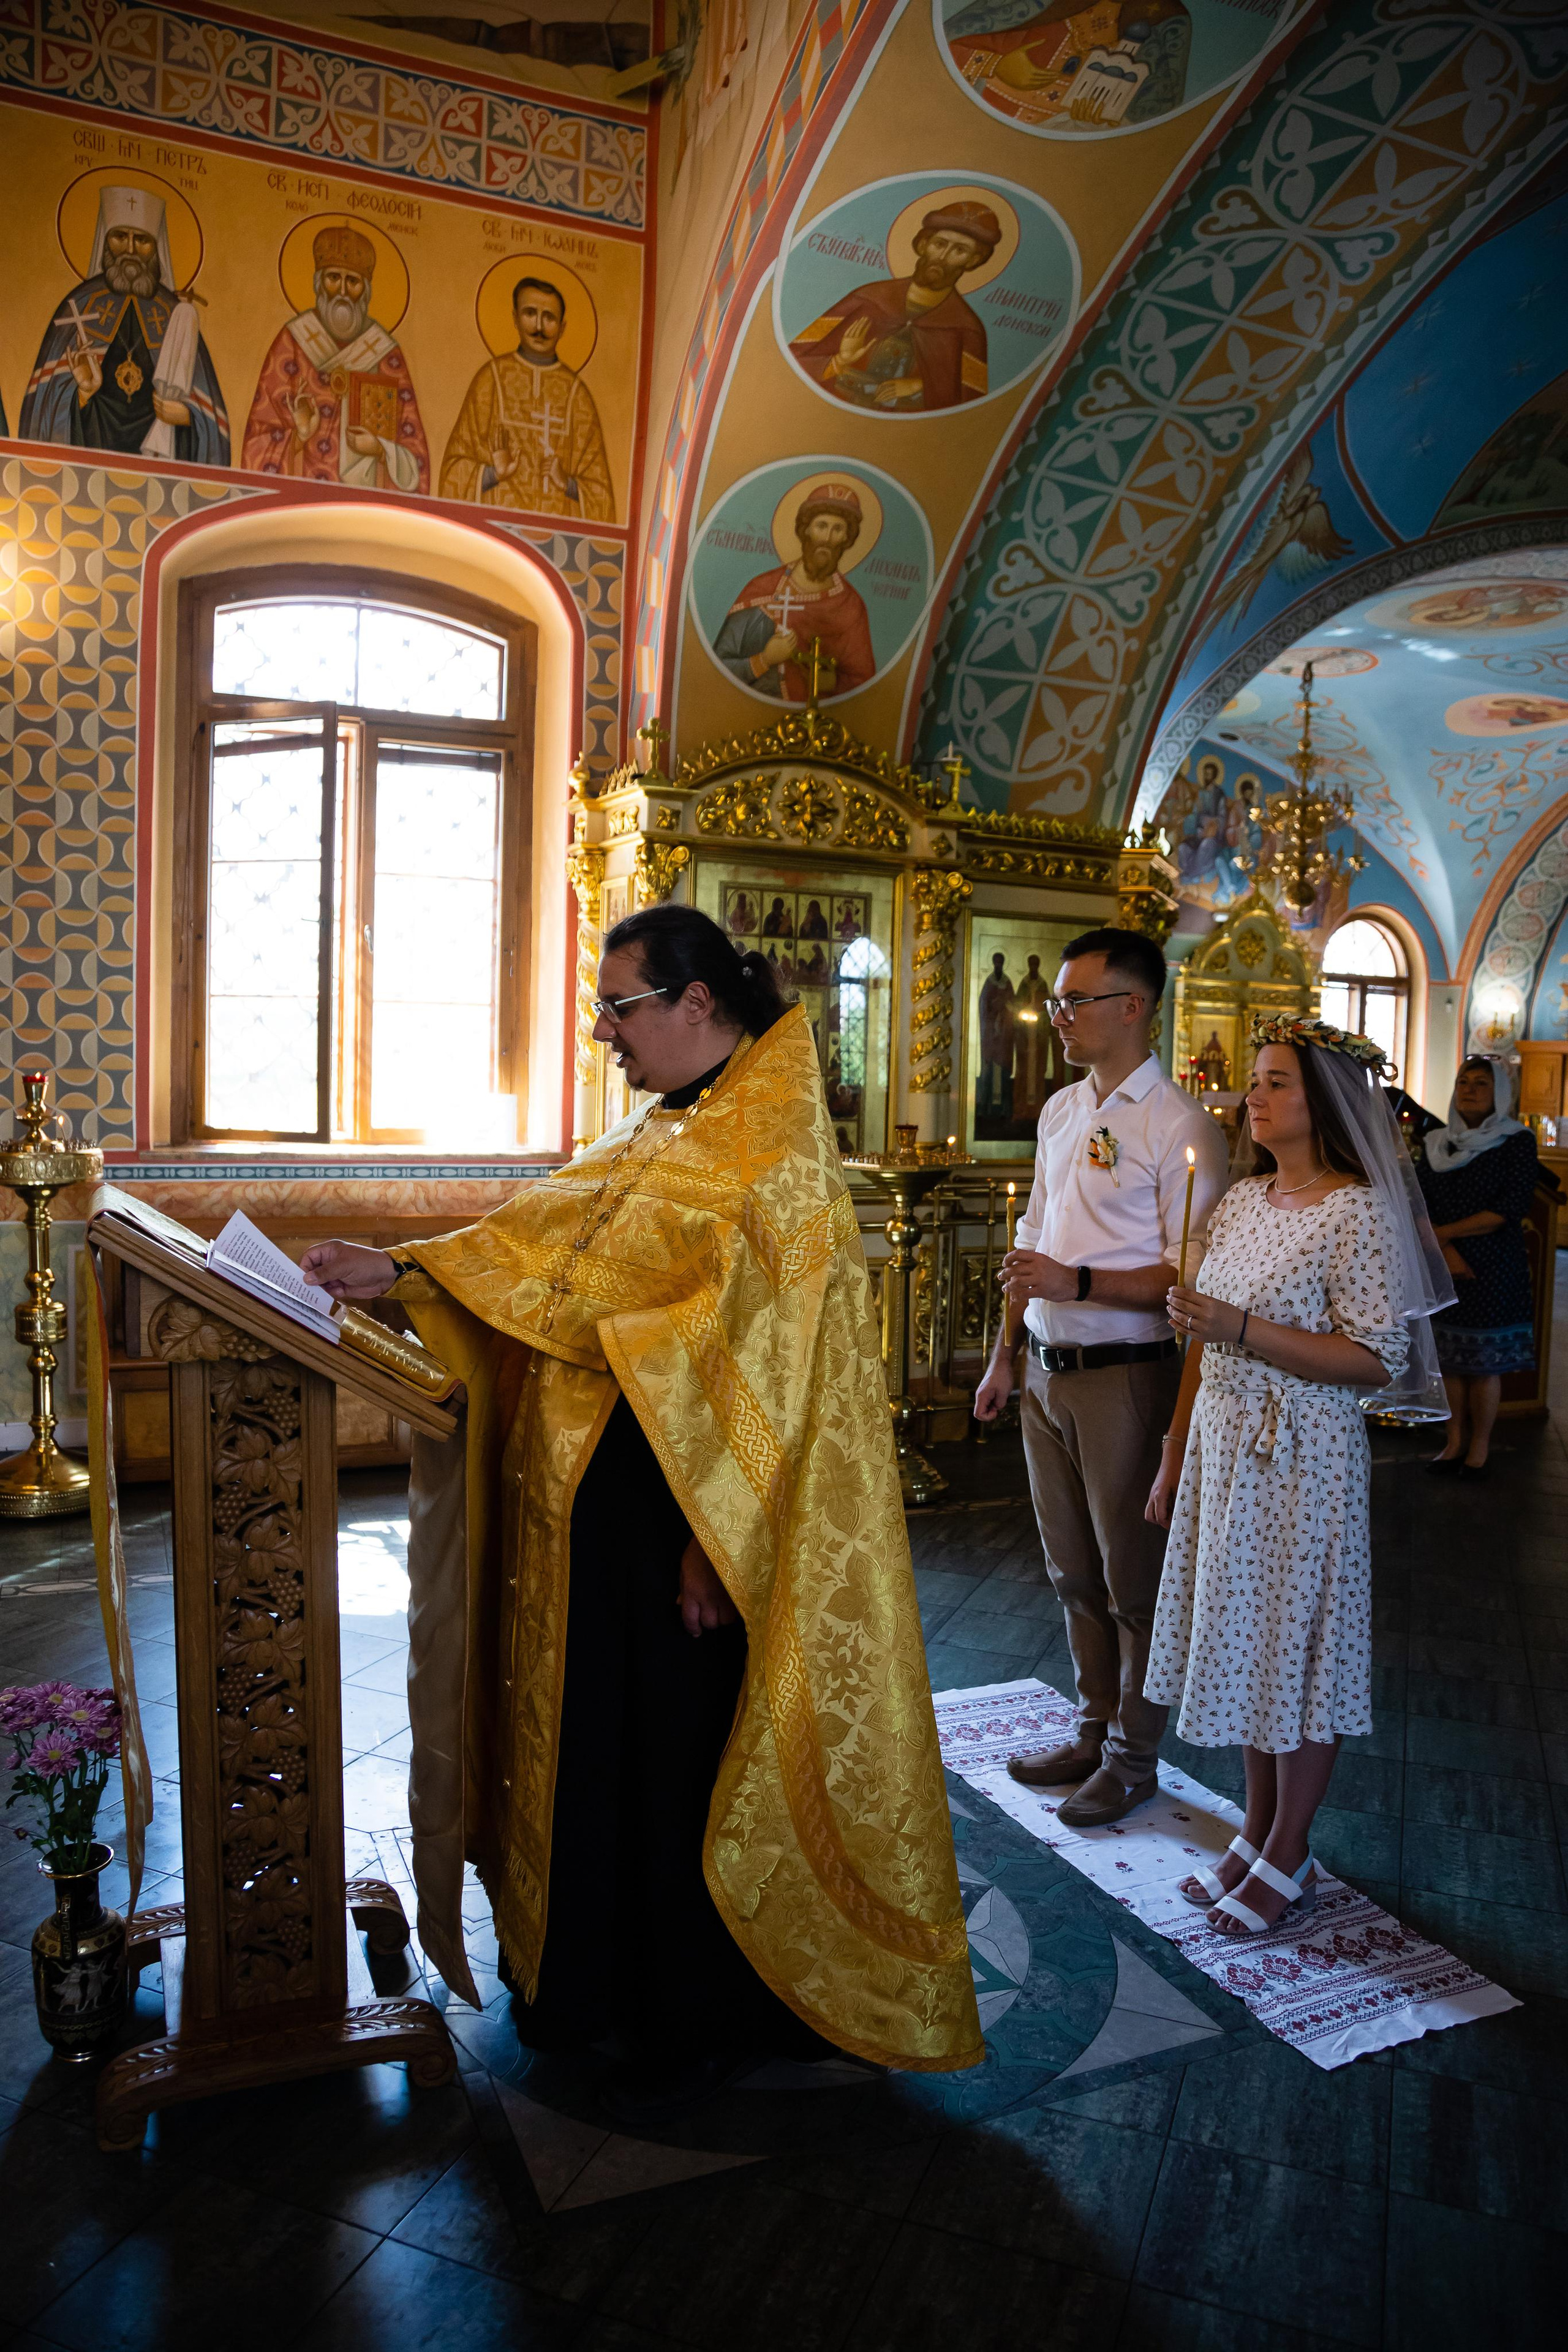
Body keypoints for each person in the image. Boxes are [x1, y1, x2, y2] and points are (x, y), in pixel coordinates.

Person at [300, 905, 981, 2115]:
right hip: (597, 1517)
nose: (603, 1032)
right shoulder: (665, 1123)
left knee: (674, 1757)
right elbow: (554, 1241)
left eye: (619, 1008)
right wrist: (402, 1271)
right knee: (599, 1744)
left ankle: (688, 2011)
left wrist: (720, 1547)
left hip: (689, 1524)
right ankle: (585, 1986)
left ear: (696, 1005)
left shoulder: (774, 1158)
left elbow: (778, 1377)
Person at [1144, 1015, 1452, 1936]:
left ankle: (1289, 1849)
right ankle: (1257, 1831)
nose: (1254, 1096)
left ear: (1322, 1105)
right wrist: (1172, 1451)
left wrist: (1241, 1330)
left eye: (1275, 1082)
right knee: (1244, 1642)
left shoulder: (1354, 1209)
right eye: (1255, 1080)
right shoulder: (1239, 1202)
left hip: (1303, 1455)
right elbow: (1203, 1336)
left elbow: (1375, 1359)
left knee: (1299, 1653)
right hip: (1223, 1444)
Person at [974, 927, 1228, 1828]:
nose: (1060, 1017)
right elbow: (1032, 1242)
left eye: (1076, 1002)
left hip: (1126, 1376)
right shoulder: (1059, 1109)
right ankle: (1091, 1724)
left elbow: (1187, 1275)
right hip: (1045, 1367)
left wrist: (1075, 1284)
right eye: (1059, 1003)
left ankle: (1133, 1753)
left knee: (1132, 1579)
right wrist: (1005, 1351)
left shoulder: (1181, 1125)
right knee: (1069, 1568)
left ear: (1134, 1007)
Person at [21, 184, 228, 464]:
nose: (130, 249)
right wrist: (82, 394)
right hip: (90, 462)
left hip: (162, 468)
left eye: (142, 240)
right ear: (106, 242)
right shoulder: (80, 304)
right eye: (120, 237)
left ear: (156, 248)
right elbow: (44, 409)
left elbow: (210, 416)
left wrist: (187, 417)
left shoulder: (174, 314)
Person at [1418, 1054, 1538, 1476]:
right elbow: (1418, 1203)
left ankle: (1479, 1449)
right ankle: (1453, 1444)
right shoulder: (1436, 1141)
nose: (1468, 1089)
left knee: (1484, 1365)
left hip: (1493, 1267)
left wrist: (1446, 1234)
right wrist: (1443, 1247)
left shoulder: (1516, 1141)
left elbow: (1508, 1208)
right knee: (1451, 1358)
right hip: (1444, 1261)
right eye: (1464, 1081)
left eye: (1481, 1084)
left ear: (1499, 1094)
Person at [241, 223, 429, 491]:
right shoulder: (293, 341)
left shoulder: (387, 355)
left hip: (366, 511)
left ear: (365, 290)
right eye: (333, 278)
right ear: (319, 283)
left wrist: (380, 449)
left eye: (352, 282)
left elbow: (415, 453)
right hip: (301, 503)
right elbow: (256, 439)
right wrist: (299, 436)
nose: (342, 292)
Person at [787, 200, 1000, 412]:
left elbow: (969, 409)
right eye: (940, 244)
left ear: (973, 260)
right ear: (924, 245)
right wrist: (841, 360)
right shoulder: (868, 298)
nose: (943, 258)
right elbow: (793, 361)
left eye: (960, 250)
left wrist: (919, 386)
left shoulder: (967, 329)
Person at [439, 274, 614, 519]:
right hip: (494, 529)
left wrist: (568, 484)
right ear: (515, 318)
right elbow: (452, 472)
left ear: (562, 327)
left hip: (559, 534)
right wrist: (493, 474)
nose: (539, 327)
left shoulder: (578, 396)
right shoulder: (490, 380)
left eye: (549, 318)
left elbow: (601, 494)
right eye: (530, 313)